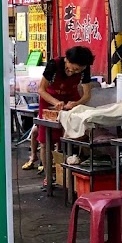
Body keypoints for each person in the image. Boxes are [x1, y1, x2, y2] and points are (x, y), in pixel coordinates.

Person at [33, 46, 95, 184]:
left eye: (78, 70)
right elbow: (41, 89)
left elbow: (87, 95)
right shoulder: (53, 65)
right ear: (66, 60)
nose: (73, 72)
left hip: (71, 100)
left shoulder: (85, 69)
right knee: (45, 141)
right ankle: (48, 176)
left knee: (70, 137)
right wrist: (56, 102)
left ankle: (68, 176)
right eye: (71, 68)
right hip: (49, 100)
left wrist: (76, 103)